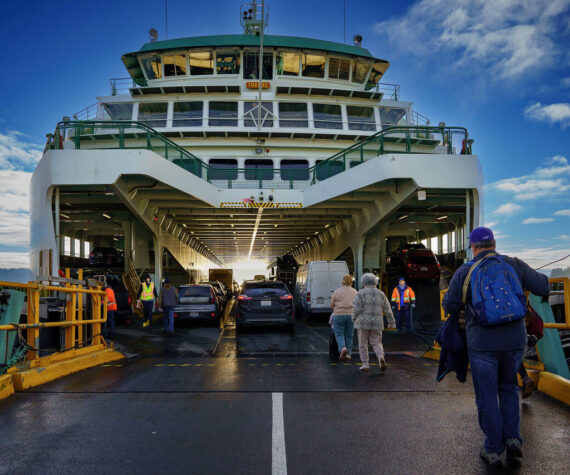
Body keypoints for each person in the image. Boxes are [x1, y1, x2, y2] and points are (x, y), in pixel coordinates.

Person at [442, 227, 549, 467]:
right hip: (514, 341)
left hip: (481, 343)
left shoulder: (465, 271)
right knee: (509, 388)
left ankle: (493, 449)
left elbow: (449, 305)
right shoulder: (513, 264)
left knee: (487, 395)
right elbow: (543, 286)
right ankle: (513, 440)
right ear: (494, 243)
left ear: (473, 246)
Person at [352, 273, 396, 372]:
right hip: (377, 323)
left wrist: (353, 318)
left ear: (363, 282)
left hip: (363, 323)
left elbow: (357, 309)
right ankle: (381, 358)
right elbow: (388, 309)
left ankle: (365, 364)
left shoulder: (361, 293)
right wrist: (391, 322)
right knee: (377, 342)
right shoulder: (381, 294)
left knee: (363, 344)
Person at [330, 274, 358, 360]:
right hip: (351, 315)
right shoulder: (355, 292)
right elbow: (358, 305)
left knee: (339, 334)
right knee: (349, 335)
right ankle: (349, 354)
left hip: (338, 315)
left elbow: (331, 305)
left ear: (342, 281)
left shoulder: (337, 291)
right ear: (351, 282)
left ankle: (342, 348)